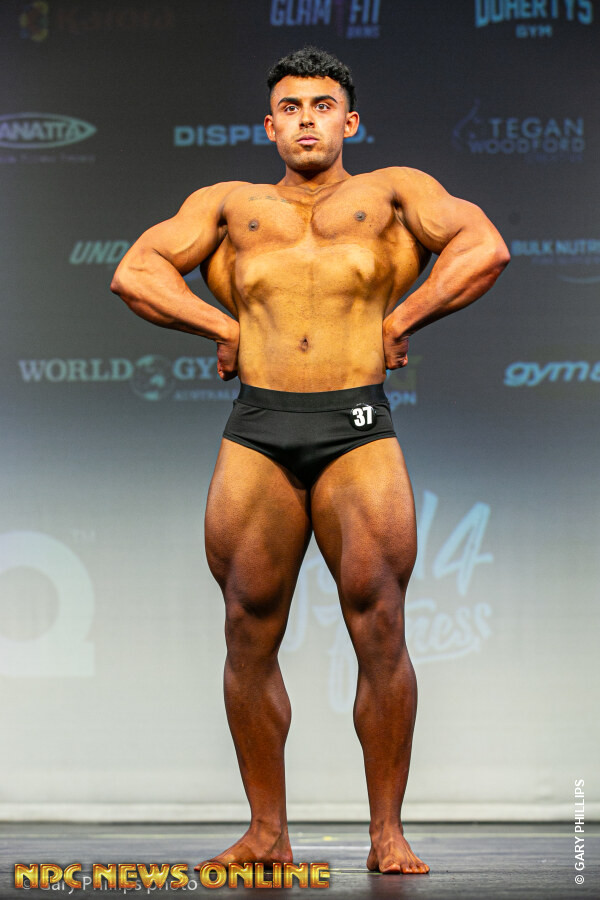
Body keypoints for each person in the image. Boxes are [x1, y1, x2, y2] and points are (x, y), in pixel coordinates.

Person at [111, 46, 509, 875]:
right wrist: (221, 326)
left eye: (322, 106)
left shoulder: (393, 192)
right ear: (269, 125)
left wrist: (404, 318)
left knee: (381, 623)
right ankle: (266, 832)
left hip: (356, 427)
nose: (306, 120)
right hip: (259, 427)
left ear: (349, 121)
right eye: (290, 107)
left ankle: (386, 833)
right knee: (247, 626)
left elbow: (485, 246)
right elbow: (135, 272)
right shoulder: (230, 204)